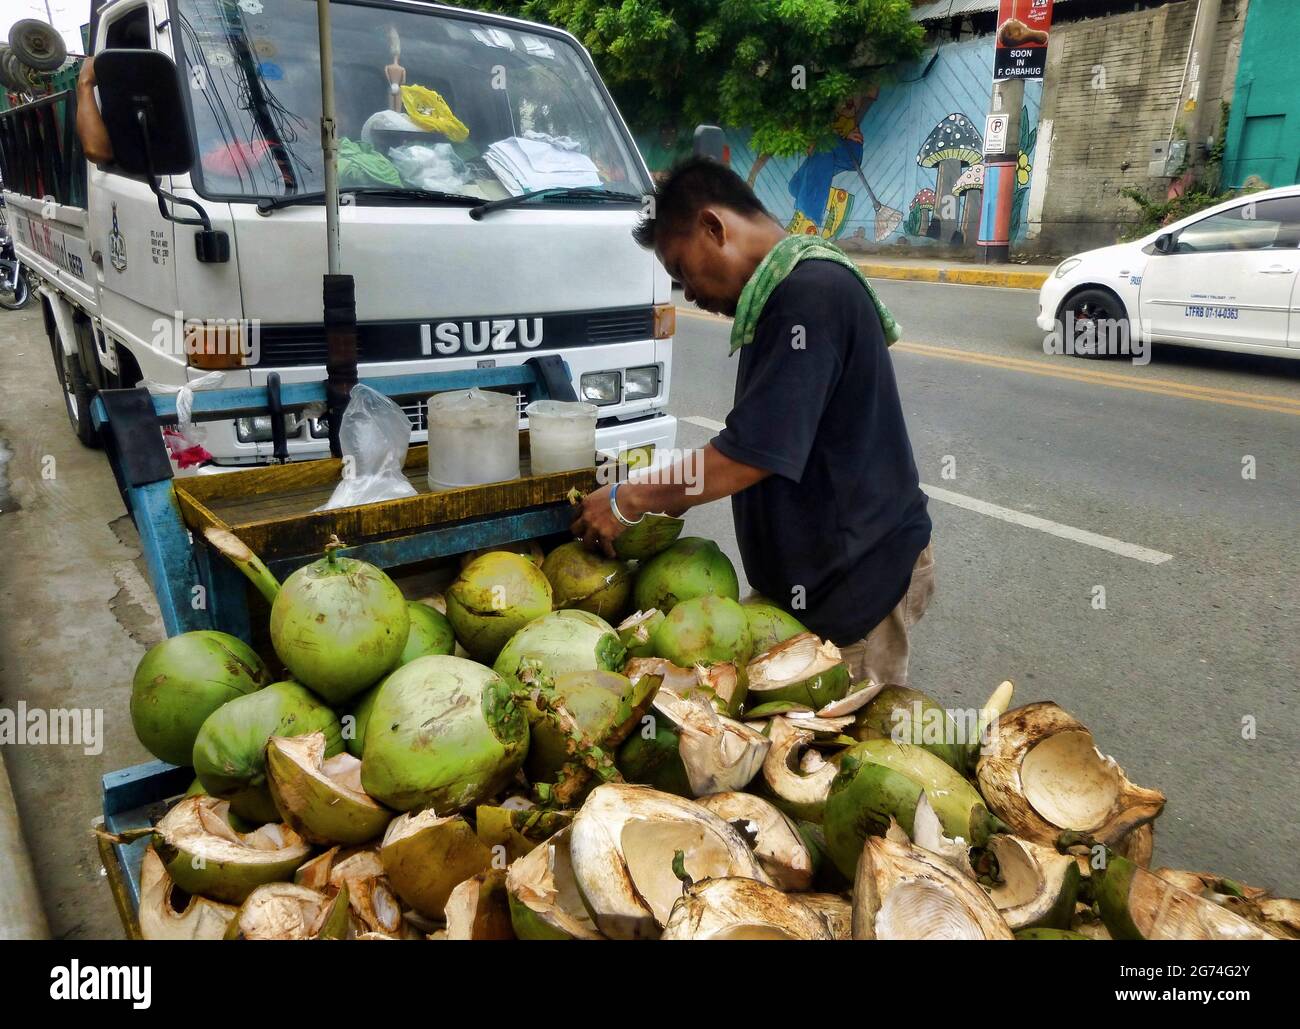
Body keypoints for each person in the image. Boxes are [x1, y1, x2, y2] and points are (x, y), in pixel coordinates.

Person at [571, 157, 933, 687]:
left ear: (714, 228)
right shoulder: (786, 294)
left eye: (682, 271)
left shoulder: (809, 295)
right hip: (820, 582)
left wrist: (630, 500)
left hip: (859, 581)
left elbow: (749, 453)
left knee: (840, 747)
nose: (688, 294)